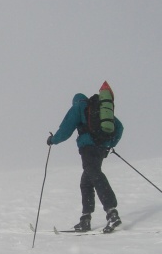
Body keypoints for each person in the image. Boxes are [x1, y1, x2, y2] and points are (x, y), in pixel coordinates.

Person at [47, 81, 124, 232]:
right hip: (101, 148)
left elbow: (66, 129)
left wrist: (53, 140)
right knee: (86, 181)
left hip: (88, 148)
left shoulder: (79, 107)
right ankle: (85, 218)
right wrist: (110, 143)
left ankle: (112, 213)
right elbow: (119, 127)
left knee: (94, 174)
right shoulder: (99, 110)